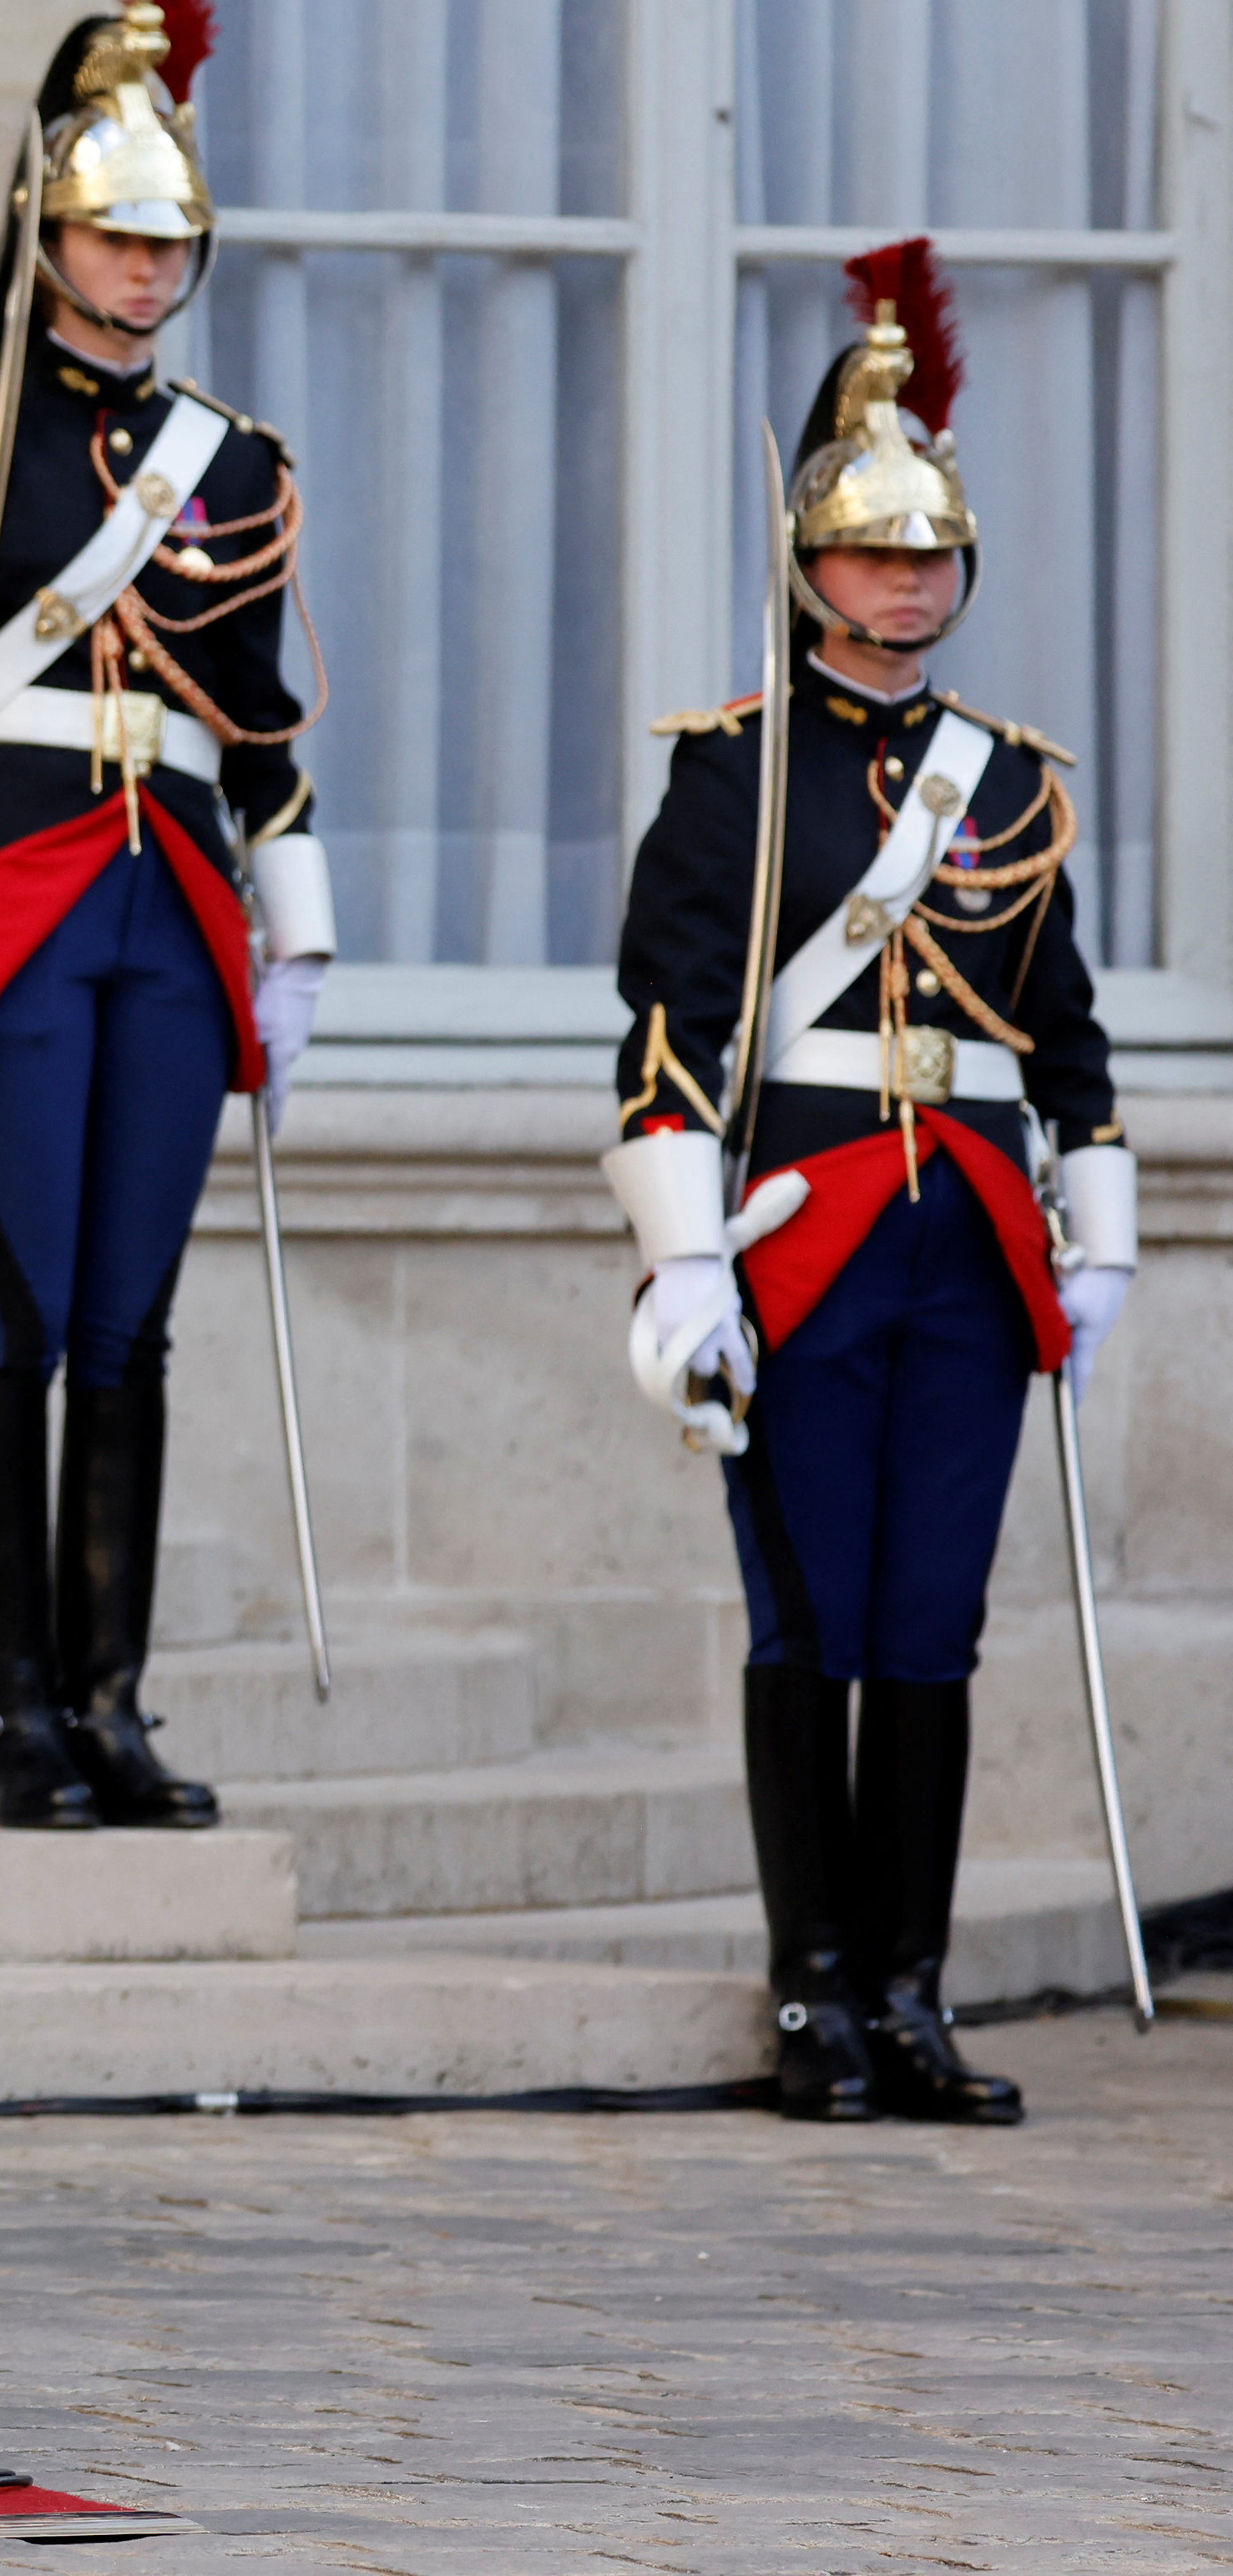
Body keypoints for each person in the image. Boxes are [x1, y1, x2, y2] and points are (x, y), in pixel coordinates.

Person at [0, 0, 334, 1832]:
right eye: (114, 238)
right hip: (14, 900)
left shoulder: (239, 464)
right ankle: (12, 1712)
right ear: (48, 237)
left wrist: (296, 931)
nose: (141, 270)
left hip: (174, 908)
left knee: (130, 1322)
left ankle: (110, 1702)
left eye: (167, 242)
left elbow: (263, 718)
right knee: (14, 1313)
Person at [604, 239, 1126, 2128]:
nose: (905, 580)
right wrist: (684, 1264)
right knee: (809, 1617)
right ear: (810, 564)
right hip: (802, 1232)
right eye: (873, 550)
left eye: (931, 555)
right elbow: (662, 1028)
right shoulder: (730, 772)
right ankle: (812, 1988)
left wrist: (1098, 1206)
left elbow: (1057, 1026)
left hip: (971, 1240)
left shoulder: (1007, 782)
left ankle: (912, 1987)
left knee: (931, 1626)